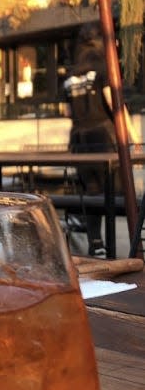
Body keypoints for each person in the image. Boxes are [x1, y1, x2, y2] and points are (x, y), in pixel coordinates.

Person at [63, 21, 138, 258]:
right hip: (102, 137)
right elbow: (114, 104)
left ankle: (97, 244)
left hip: (79, 140)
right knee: (114, 192)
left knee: (92, 192)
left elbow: (67, 112)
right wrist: (132, 135)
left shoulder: (71, 73)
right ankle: (130, 247)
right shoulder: (103, 67)